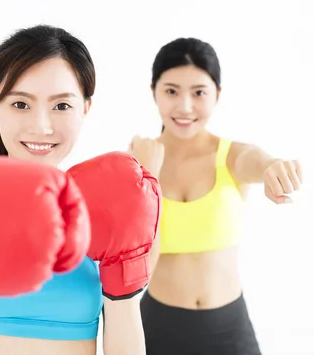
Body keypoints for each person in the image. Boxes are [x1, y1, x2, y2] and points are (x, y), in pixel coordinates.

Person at [0, 25, 162, 355]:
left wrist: (145, 188)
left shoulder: (112, 203)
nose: (42, 126)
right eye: (21, 104)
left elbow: (125, 323)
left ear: (85, 109)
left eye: (61, 106)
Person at [130, 37, 303, 355]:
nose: (184, 107)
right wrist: (145, 173)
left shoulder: (232, 156)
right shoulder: (137, 162)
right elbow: (130, 255)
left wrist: (272, 167)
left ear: (217, 94)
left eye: (199, 92)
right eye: (171, 91)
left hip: (228, 330)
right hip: (156, 326)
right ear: (153, 91)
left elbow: (257, 160)